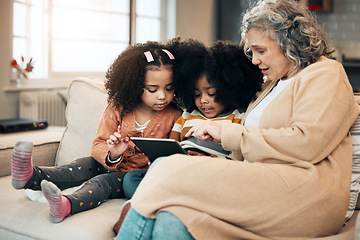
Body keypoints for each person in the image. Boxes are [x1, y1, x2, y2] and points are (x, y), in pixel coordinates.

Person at [117, 0, 360, 239]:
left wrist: (229, 134)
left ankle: (134, 208)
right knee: (173, 218)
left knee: (164, 167)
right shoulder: (273, 83)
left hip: (306, 191)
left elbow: (309, 142)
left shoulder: (326, 73)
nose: (254, 60)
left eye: (261, 51)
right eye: (251, 52)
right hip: (258, 183)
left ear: (289, 42)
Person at [10, 40, 182, 223]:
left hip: (131, 177)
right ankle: (30, 176)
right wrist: (114, 154)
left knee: (101, 183)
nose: (162, 95)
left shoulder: (175, 115)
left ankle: (66, 205)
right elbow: (99, 144)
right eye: (153, 89)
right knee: (77, 167)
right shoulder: (118, 108)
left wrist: (156, 161)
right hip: (104, 162)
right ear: (134, 84)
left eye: (169, 88)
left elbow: (174, 153)